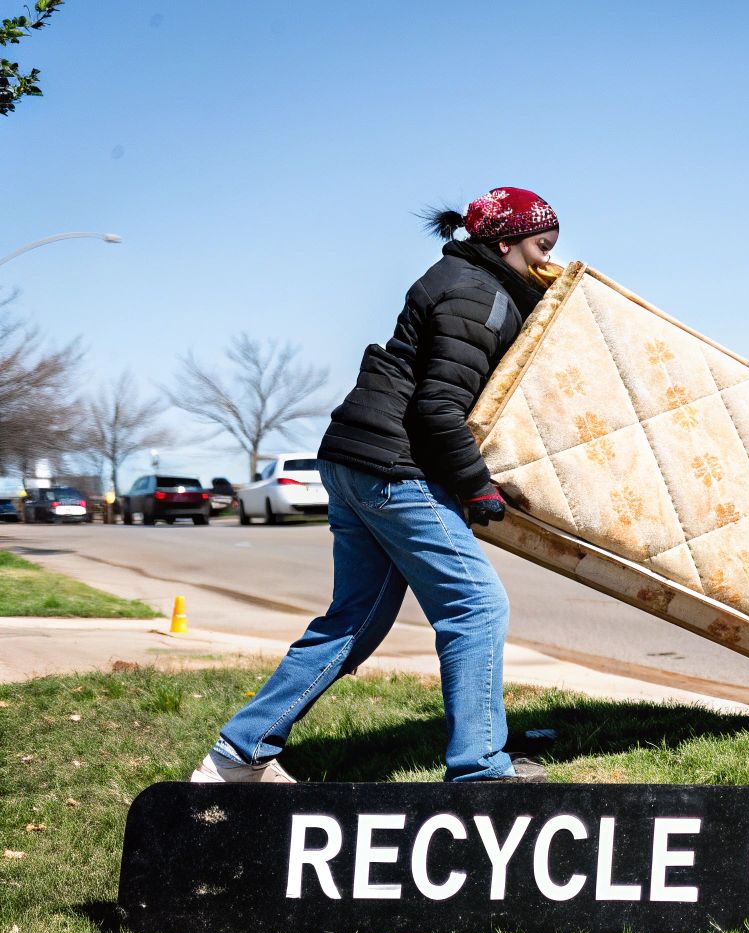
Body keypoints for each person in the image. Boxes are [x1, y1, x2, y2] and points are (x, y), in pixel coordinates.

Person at [190, 187, 563, 784]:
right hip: (396, 467)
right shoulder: (482, 295)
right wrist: (477, 485)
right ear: (506, 243)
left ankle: (238, 755)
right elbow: (438, 407)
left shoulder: (458, 277)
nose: (548, 259)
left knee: (354, 619)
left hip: (351, 457)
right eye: (542, 246)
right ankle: (481, 771)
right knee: (477, 606)